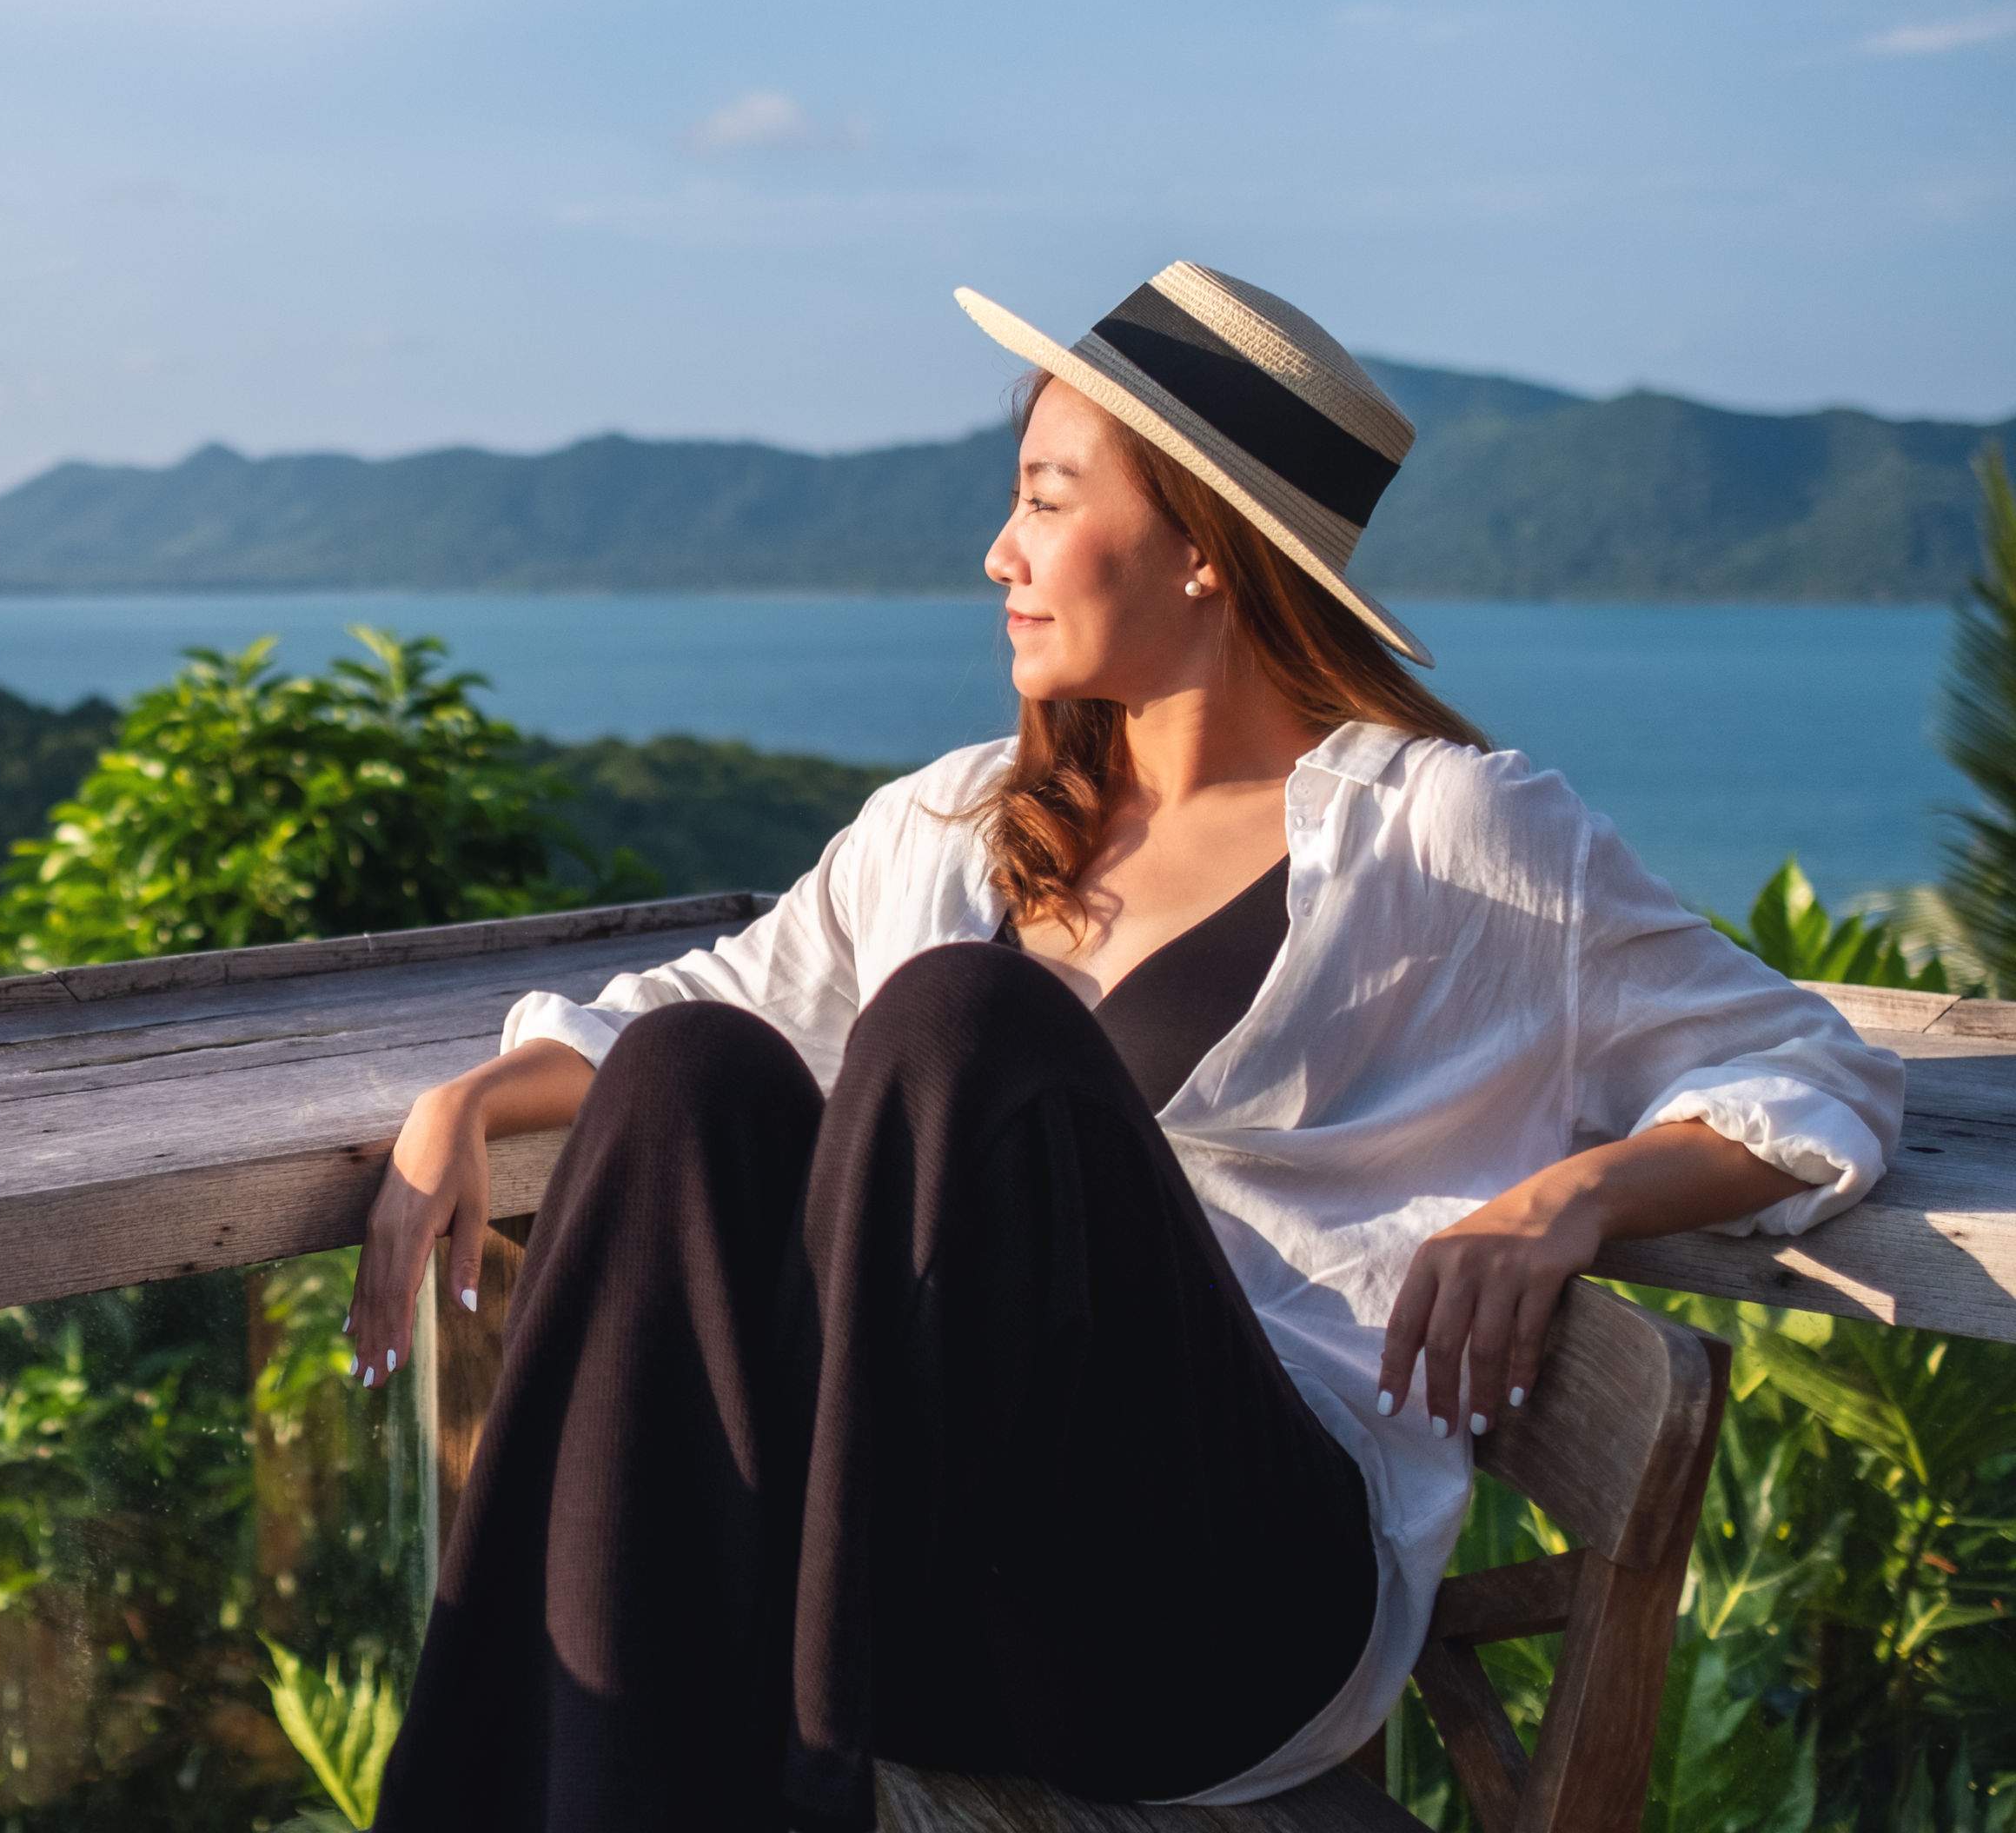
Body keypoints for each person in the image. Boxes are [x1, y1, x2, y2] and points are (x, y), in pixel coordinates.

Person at [337, 263, 1906, 1833]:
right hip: (924, 1609)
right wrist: (477, 1098)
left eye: (1044, 501)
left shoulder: (1455, 839)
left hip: (1219, 1637)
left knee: (966, 1027)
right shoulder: (953, 827)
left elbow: (1816, 1074)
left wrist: (1575, 1198)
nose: (998, 554)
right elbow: (716, 1006)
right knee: (692, 1080)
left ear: (1206, 549)